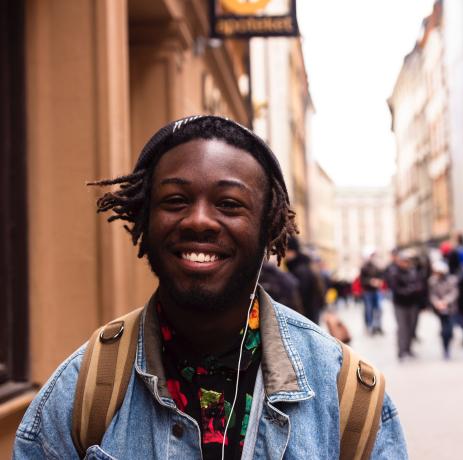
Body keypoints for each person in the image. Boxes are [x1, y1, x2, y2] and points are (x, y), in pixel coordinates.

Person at [13, 116, 407, 459]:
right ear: (144, 220)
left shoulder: (348, 399)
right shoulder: (83, 393)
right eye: (176, 200)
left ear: (268, 228)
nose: (199, 220)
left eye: (229, 204)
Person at [386, 251, 426, 360]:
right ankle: (401, 351)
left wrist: (413, 290)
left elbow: (420, 284)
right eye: (404, 261)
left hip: (413, 303)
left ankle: (408, 349)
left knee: (412, 327)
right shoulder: (394, 272)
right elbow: (395, 288)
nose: (406, 263)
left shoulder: (413, 271)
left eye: (407, 261)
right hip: (400, 303)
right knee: (402, 327)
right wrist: (410, 290)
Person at [285, 236, 325, 324]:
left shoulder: (300, 270)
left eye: (286, 250)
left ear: (292, 251)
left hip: (306, 316)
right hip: (312, 314)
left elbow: (301, 297)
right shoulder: (306, 265)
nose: (284, 254)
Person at [429, 261, 459, 360]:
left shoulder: (452, 280)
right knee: (444, 329)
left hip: (450, 307)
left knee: (449, 329)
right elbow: (432, 294)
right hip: (439, 308)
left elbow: (454, 292)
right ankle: (445, 347)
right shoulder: (432, 281)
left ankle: (448, 342)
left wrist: (445, 301)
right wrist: (437, 302)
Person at [360, 251, 385, 335]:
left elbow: (382, 277)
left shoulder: (377, 267)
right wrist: (370, 281)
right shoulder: (364, 267)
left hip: (376, 291)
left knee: (378, 309)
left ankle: (377, 326)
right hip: (368, 291)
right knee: (369, 309)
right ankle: (369, 326)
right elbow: (362, 281)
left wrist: (379, 281)